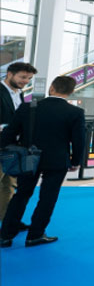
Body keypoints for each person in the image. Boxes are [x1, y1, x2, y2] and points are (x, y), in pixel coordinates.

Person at [0, 75, 86, 248]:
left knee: (21, 194)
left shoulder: (28, 107)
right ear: (71, 92)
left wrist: (5, 149)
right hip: (57, 160)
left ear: (51, 88)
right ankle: (35, 235)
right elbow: (79, 140)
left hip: (28, 157)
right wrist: (76, 161)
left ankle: (5, 236)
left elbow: (10, 132)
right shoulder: (75, 112)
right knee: (48, 197)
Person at [0, 61, 37, 235]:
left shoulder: (19, 93)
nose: (25, 81)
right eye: (23, 77)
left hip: (13, 147)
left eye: (29, 78)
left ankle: (7, 221)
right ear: (10, 74)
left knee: (9, 184)